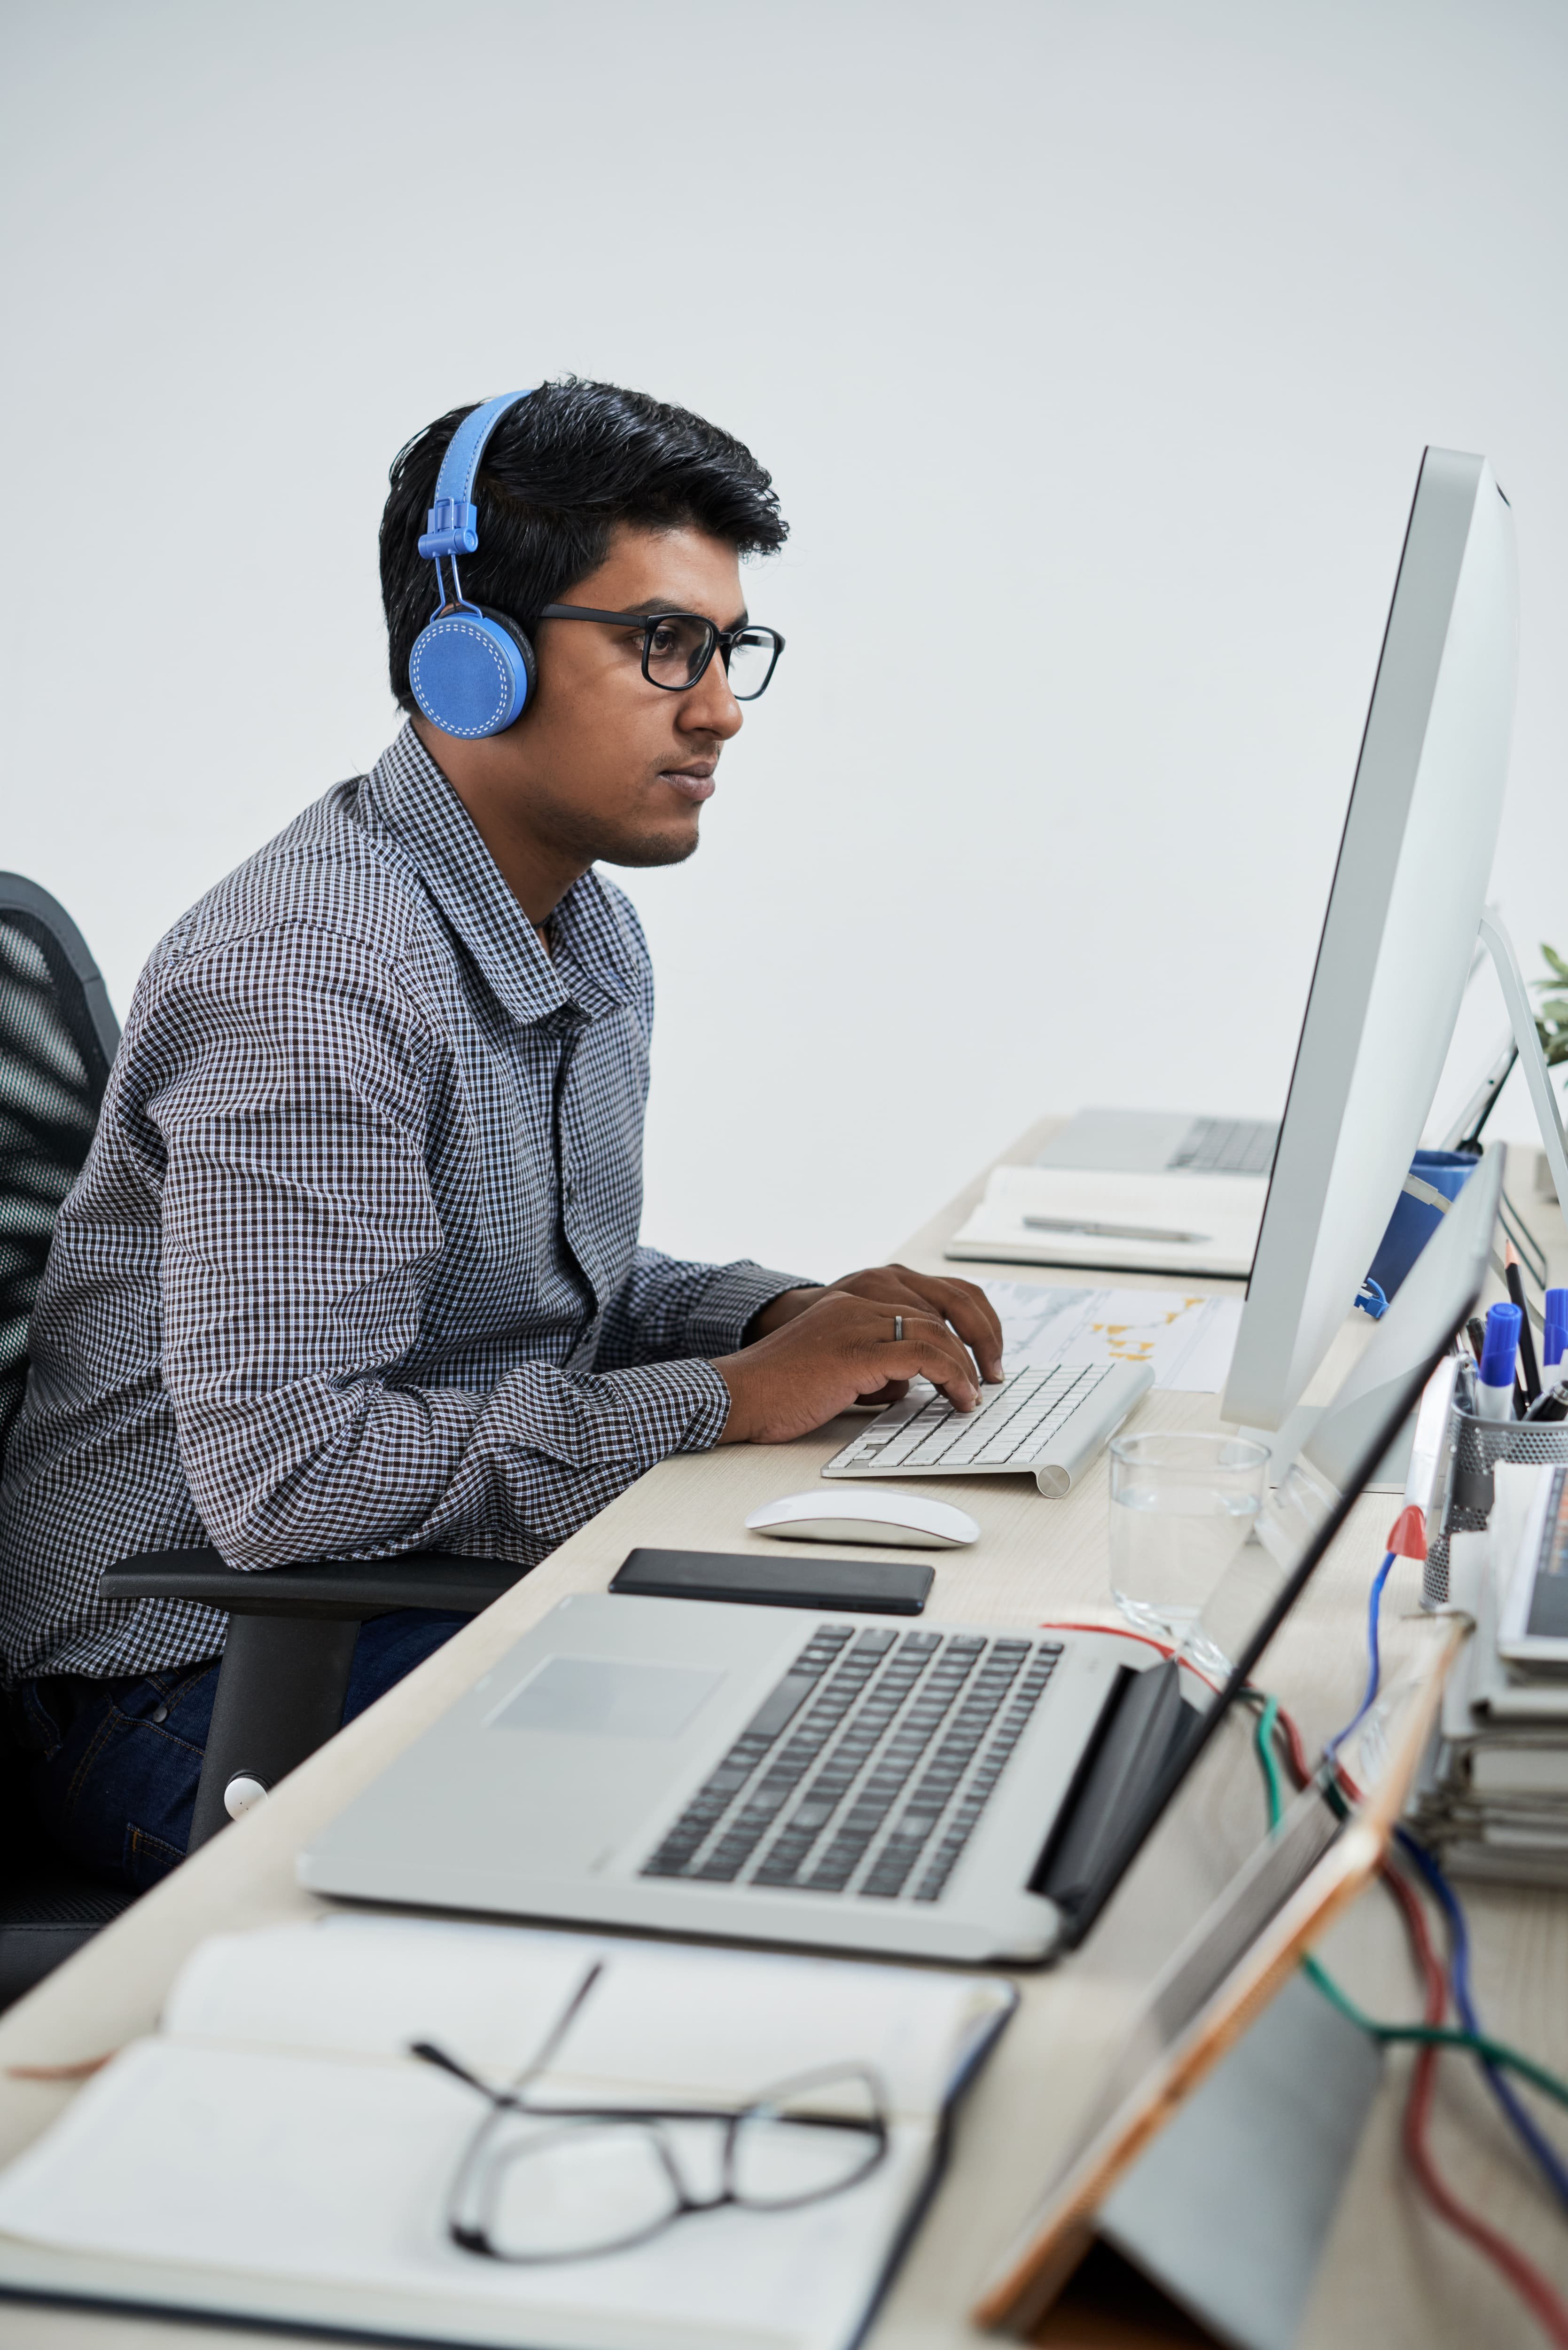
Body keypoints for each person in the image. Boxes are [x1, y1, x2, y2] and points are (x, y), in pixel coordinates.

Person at [0, 379, 1004, 1890]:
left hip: (385, 1602)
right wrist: (722, 1400)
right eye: (663, 643)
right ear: (468, 661)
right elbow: (293, 1483)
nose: (720, 704)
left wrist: (773, 1318)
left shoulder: (578, 924)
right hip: (182, 1689)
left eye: (731, 650)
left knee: (883, 1686)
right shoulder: (311, 975)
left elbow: (529, 1284)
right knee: (774, 1807)